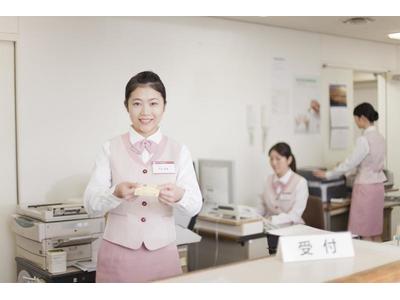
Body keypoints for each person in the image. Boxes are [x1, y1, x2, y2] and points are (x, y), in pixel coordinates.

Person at [84, 71, 203, 282]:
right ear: (126, 106)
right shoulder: (109, 148)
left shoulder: (179, 150)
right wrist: (115, 194)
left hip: (163, 256)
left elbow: (195, 205)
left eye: (154, 103)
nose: (146, 112)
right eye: (137, 103)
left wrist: (179, 196)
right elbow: (90, 204)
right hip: (117, 257)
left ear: (164, 106)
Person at [314, 102, 386, 242]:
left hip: (365, 188)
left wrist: (328, 174)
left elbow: (350, 163)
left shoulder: (363, 140)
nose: (356, 123)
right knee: (375, 231)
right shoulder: (381, 138)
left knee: (364, 231)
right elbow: (366, 162)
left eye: (356, 120)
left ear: (362, 118)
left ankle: (369, 263)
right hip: (378, 188)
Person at [259, 142, 309, 253]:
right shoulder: (267, 180)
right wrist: (250, 215)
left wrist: (272, 220)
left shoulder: (300, 182)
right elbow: (262, 207)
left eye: (278, 159)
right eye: (271, 159)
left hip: (292, 232)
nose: (273, 163)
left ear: (289, 160)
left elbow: (295, 215)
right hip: (271, 231)